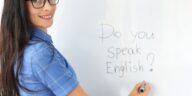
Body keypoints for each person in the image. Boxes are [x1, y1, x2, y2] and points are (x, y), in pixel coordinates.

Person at [0, 0, 151, 96]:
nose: (48, 7)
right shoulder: (40, 53)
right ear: (19, 5)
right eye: (37, 1)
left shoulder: (16, 45)